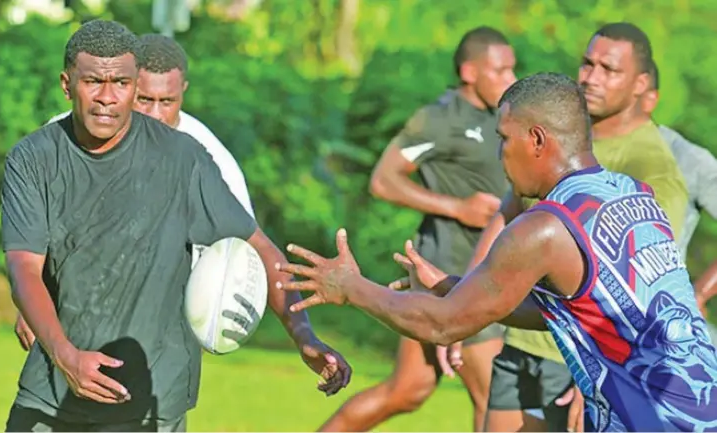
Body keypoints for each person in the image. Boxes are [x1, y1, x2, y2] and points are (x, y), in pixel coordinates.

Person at [276, 72, 717, 432]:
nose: (500, 153)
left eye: (504, 138)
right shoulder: (632, 196)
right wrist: (453, 287)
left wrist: (351, 287)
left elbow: (441, 326)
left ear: (538, 140)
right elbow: (578, 310)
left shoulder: (544, 227)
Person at [2, 20, 350, 432]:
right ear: (67, 83)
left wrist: (302, 336)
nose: (107, 98)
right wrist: (62, 351)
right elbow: (25, 266)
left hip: (151, 399)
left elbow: (258, 249)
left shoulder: (184, 159)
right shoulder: (33, 158)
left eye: (122, 83)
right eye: (93, 81)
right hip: (52, 393)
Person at [454, 23, 691, 432]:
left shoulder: (651, 169)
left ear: (641, 84)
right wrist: (463, 304)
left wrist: (599, 376)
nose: (590, 77)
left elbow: (645, 292)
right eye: (587, 63)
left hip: (582, 360)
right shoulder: (562, 137)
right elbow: (508, 213)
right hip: (524, 342)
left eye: (608, 69)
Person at [318, 27, 516, 432]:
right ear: (468, 71)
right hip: (451, 276)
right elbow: (384, 180)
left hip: (489, 270)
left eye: (512, 69)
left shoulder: (501, 118)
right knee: (494, 402)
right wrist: (458, 207)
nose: (510, 79)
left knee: (406, 391)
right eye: (499, 70)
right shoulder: (439, 120)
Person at [16, 33, 257, 351]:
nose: (155, 115)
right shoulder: (67, 135)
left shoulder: (208, 159)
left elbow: (243, 255)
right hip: (73, 315)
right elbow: (45, 228)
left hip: (157, 330)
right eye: (144, 100)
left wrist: (301, 332)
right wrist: (33, 299)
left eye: (167, 102)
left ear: (182, 91)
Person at [640, 60, 717, 339]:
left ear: (650, 99)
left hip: (657, 332)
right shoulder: (580, 152)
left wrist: (700, 292)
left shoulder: (687, 159)